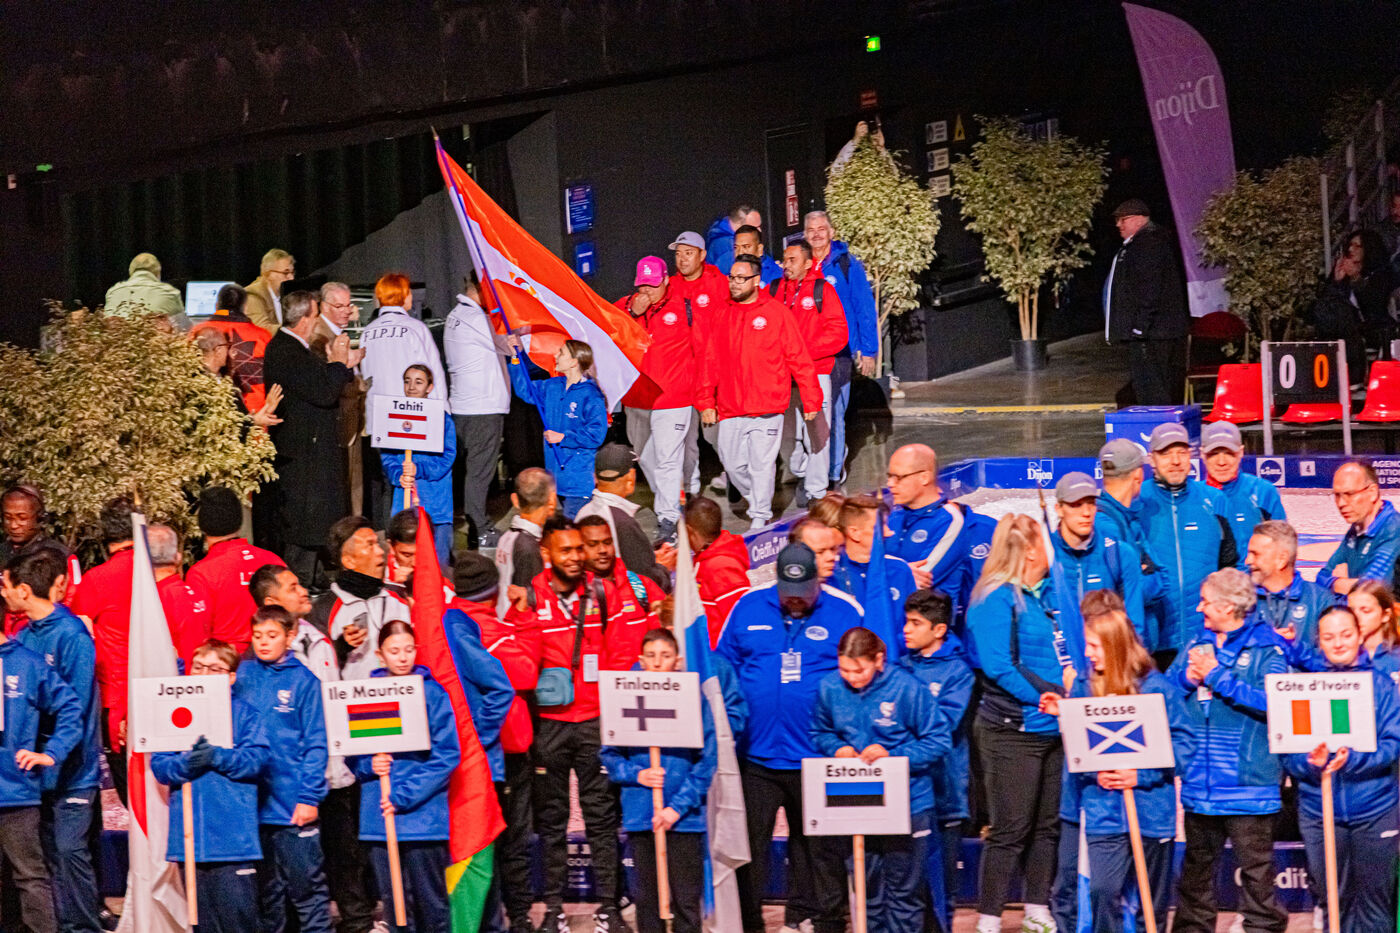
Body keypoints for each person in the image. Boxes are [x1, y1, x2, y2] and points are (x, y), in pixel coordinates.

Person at [717, 542, 863, 933]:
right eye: (788, 592)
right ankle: (748, 924)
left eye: (803, 592)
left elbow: (863, 673)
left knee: (820, 852)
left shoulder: (845, 611)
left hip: (818, 755)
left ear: (817, 581)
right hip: (755, 756)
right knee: (749, 849)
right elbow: (723, 668)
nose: (795, 599)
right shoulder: (747, 606)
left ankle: (818, 921)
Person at [505, 518, 627, 932]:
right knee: (551, 821)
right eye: (566, 550)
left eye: (579, 549)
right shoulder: (528, 598)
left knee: (601, 818)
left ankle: (608, 907)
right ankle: (553, 909)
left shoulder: (603, 592)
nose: (576, 557)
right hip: (549, 726)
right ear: (546, 553)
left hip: (595, 722)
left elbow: (619, 654)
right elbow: (518, 662)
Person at [1045, 607, 1187, 933]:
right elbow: (1078, 749)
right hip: (1103, 810)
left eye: (1094, 646)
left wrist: (1142, 775)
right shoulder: (1085, 686)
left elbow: (1184, 745)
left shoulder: (1156, 687)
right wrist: (1095, 773)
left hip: (1152, 810)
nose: (1087, 653)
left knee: (1151, 903)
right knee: (1102, 890)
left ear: (1116, 645)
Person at [1167, 568, 1288, 933]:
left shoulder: (1268, 647)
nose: (1199, 608)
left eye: (1205, 601)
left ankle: (1262, 928)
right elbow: (1164, 691)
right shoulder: (1196, 643)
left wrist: (1218, 677)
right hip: (1200, 787)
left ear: (1227, 606)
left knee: (1257, 877)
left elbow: (1277, 702)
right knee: (1195, 876)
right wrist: (1186, 679)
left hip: (1249, 786)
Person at [811, 627, 946, 933]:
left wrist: (893, 755)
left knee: (904, 893)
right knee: (867, 892)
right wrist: (837, 748)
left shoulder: (907, 688)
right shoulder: (829, 687)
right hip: (856, 803)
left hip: (909, 803)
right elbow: (819, 732)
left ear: (879, 660)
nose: (852, 678)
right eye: (845, 670)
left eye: (859, 670)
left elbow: (938, 740)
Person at [966, 514, 1064, 933]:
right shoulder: (994, 598)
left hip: (1055, 728)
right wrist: (1047, 694)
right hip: (1013, 730)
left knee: (1047, 826)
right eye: (1044, 542)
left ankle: (1037, 908)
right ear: (1029, 551)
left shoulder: (1052, 592)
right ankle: (989, 917)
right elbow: (999, 666)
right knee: (1010, 829)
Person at [3, 549, 103, 933]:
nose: (3, 593)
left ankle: (84, 928)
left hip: (74, 771)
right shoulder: (22, 637)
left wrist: (53, 751)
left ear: (24, 590)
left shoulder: (72, 636)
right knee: (42, 861)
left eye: (6, 585)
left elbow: (74, 707)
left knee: (69, 852)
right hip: (33, 774)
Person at [1282, 607, 1400, 932]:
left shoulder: (1381, 686)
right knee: (1334, 902)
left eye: (1346, 635)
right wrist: (1310, 762)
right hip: (1319, 813)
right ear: (1318, 641)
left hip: (1374, 811)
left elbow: (1393, 744)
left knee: (1375, 906)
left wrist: (1354, 759)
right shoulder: (1302, 688)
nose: (1338, 643)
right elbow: (1288, 753)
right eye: (1329, 637)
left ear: (1360, 635)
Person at [600, 628, 717, 933]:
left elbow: (707, 759)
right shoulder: (624, 696)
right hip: (643, 816)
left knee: (685, 901)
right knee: (647, 901)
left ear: (677, 661)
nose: (656, 663)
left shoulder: (693, 698)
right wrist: (636, 774)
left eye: (665, 656)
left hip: (684, 819)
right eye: (650, 656)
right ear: (641, 660)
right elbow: (609, 755)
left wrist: (677, 808)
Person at [150, 639, 271, 933]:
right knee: (202, 925)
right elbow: (160, 766)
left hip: (233, 842)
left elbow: (257, 761)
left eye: (215, 669)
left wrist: (217, 756)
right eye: (198, 667)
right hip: (190, 840)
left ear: (230, 677)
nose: (204, 674)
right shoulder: (174, 710)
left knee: (239, 923)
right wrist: (186, 764)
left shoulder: (245, 713)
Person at [348, 620, 460, 933]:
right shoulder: (366, 693)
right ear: (380, 655)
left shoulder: (432, 693)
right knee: (395, 907)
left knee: (432, 906)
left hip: (422, 820)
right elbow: (352, 756)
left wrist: (404, 795)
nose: (402, 657)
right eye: (394, 651)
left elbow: (447, 754)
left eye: (409, 650)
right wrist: (370, 765)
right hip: (379, 820)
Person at [448, 552, 539, 933]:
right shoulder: (487, 631)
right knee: (508, 841)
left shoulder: (449, 623)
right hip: (501, 753)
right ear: (493, 590)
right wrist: (521, 620)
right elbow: (526, 672)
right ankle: (516, 919)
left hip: (480, 753)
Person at [698, 253, 821, 530]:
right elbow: (709, 360)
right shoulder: (721, 313)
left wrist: (811, 398)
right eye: (732, 277)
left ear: (756, 281)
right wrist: (706, 400)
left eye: (741, 278)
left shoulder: (776, 313)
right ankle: (757, 500)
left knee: (762, 464)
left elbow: (798, 357)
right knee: (732, 464)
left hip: (767, 405)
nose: (734, 283)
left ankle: (760, 516)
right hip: (730, 406)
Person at [237, 605, 334, 933]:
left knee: (308, 891)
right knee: (267, 896)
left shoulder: (305, 682)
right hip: (253, 807)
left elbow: (317, 745)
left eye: (272, 635)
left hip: (293, 807)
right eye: (257, 636)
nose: (263, 642)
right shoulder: (242, 675)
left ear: (290, 637)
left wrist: (309, 797)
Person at [263, 290, 363, 586]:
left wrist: (339, 367)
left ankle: (315, 574)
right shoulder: (287, 351)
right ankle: (301, 579)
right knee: (306, 519)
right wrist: (340, 363)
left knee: (315, 517)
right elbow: (323, 392)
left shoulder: (294, 349)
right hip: (303, 452)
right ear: (306, 318)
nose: (318, 319)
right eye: (316, 313)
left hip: (310, 447)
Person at [0, 621, 83, 933]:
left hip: (15, 792)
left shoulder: (27, 663)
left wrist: (51, 753)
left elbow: (70, 708)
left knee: (30, 877)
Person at [898, 588, 973, 933]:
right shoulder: (899, 668)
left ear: (939, 629)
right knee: (906, 887)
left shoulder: (958, 673)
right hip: (903, 796)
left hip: (945, 796)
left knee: (943, 890)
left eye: (915, 623)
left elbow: (942, 726)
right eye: (906, 622)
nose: (906, 630)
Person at [1138, 422, 1238, 662]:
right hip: (1153, 643)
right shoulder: (1137, 502)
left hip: (1206, 638)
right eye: (1166, 453)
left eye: (1181, 452)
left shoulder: (1214, 500)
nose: (1176, 461)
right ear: (1152, 459)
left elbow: (1232, 567)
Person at [616, 256, 696, 539]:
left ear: (665, 280)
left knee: (666, 460)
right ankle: (672, 503)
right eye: (642, 285)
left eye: (652, 284)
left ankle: (669, 518)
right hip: (638, 400)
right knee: (647, 458)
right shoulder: (626, 306)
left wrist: (704, 393)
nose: (647, 291)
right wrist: (631, 311)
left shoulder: (684, 307)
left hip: (673, 398)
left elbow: (705, 348)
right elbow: (608, 331)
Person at [67, 496, 136, 801]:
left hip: (116, 698)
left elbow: (78, 632)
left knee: (130, 793)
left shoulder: (96, 579)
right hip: (163, 690)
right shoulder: (160, 573)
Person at [803, 210, 879, 483]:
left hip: (840, 353)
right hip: (807, 356)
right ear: (804, 235)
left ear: (832, 233)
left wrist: (868, 350)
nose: (816, 234)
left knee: (834, 413)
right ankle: (813, 470)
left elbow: (864, 308)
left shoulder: (847, 264)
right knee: (810, 416)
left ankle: (832, 473)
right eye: (811, 230)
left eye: (821, 229)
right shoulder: (800, 264)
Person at [771, 239, 848, 503]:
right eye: (785, 259)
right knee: (787, 439)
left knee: (817, 434)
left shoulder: (822, 290)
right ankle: (802, 472)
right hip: (783, 377)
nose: (786, 265)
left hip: (816, 373)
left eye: (792, 260)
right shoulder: (774, 289)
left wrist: (802, 353)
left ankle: (816, 490)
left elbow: (839, 334)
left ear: (807, 263)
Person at [444, 274, 511, 547]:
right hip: (482, 408)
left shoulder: (455, 315)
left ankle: (471, 525)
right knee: (480, 473)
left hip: (463, 405)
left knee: (470, 472)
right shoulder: (477, 319)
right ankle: (480, 529)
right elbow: (511, 344)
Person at [508, 338, 609, 518]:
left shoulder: (591, 394)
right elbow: (525, 390)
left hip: (577, 481)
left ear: (573, 362)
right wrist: (516, 356)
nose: (556, 355)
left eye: (561, 353)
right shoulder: (553, 386)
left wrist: (563, 437)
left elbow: (596, 435)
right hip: (554, 480)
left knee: (574, 528)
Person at [1103, 199, 1190, 405]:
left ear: (1139, 220)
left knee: (1153, 388)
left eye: (1123, 219)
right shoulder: (1143, 243)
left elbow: (1150, 289)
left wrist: (1140, 327)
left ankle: (1160, 422)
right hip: (1153, 331)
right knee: (1152, 385)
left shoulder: (1148, 245)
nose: (1118, 225)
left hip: (1152, 332)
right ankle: (1160, 420)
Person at [309, 516, 413, 681]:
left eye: (377, 543)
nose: (380, 552)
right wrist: (341, 646)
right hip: (353, 696)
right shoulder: (324, 610)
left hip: (403, 693)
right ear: (349, 561)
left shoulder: (401, 597)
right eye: (370, 545)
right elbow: (315, 666)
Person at [667, 230, 732, 496]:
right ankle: (690, 488)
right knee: (685, 436)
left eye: (688, 253)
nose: (682, 259)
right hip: (681, 376)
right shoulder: (670, 287)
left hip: (713, 374)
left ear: (702, 255)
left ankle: (736, 477)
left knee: (716, 434)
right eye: (678, 254)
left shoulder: (719, 283)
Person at [187, 485, 284, 655]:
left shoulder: (201, 573)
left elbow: (197, 633)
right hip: (275, 658)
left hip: (227, 662)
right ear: (238, 521)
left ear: (202, 525)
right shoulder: (273, 560)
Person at [884, 444, 976, 621]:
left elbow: (920, 579)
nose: (890, 484)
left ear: (924, 477)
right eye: (889, 477)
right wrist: (901, 568)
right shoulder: (894, 517)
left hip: (927, 628)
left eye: (898, 477)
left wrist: (884, 566)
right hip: (892, 621)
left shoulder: (950, 521)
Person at [380, 364, 457, 568]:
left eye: (419, 382)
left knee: (437, 566)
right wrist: (398, 475)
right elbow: (388, 457)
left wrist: (419, 469)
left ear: (429, 387)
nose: (412, 386)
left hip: (436, 504)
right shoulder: (394, 415)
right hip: (404, 504)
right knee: (404, 566)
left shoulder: (442, 420)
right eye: (407, 381)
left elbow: (447, 458)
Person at [1050, 471, 1145, 635]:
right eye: (1076, 505)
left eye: (1091, 503)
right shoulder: (1044, 554)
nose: (1086, 513)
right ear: (1059, 509)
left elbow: (1135, 628)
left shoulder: (1119, 553)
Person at [576, 444, 671, 589]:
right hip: (616, 598)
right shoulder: (623, 523)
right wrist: (663, 567)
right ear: (631, 478)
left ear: (595, 477)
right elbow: (645, 583)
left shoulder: (583, 513)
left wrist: (650, 557)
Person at [577, 515, 664, 671]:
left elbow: (666, 638)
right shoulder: (573, 594)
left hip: (640, 681)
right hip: (594, 684)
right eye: (592, 544)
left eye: (607, 542)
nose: (603, 550)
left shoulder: (640, 586)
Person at [314, 281, 371, 518]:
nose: (347, 311)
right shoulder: (319, 337)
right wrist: (358, 383)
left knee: (354, 482)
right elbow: (327, 382)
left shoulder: (339, 333)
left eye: (349, 305)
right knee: (344, 484)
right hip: (339, 421)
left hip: (352, 418)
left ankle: (355, 527)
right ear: (324, 306)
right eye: (340, 306)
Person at [833, 495, 916, 656]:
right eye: (879, 526)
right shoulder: (832, 576)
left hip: (895, 663)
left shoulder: (900, 570)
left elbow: (915, 623)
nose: (889, 532)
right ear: (854, 533)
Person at [1247, 520, 1336, 665]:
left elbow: (1330, 661)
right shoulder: (1242, 599)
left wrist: (1294, 646)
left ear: (1282, 560)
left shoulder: (1319, 601)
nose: (1247, 561)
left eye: (1255, 554)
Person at [1095, 438, 1165, 612]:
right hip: (1124, 626)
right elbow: (1154, 583)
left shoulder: (1126, 519)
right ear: (1138, 475)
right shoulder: (1108, 525)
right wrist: (1146, 573)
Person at [0, 484, 77, 637]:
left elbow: (72, 601)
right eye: (8, 518)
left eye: (22, 518)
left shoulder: (60, 555)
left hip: (42, 637)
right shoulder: (2, 551)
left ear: (39, 518)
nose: (14, 525)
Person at [359, 273, 447, 404]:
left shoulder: (367, 332)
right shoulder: (415, 328)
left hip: (377, 407)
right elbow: (432, 372)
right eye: (409, 292)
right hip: (408, 407)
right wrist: (441, 406)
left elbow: (365, 373)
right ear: (404, 296)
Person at [1317, 459, 1400, 595]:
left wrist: (1337, 583)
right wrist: (1346, 584)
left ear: (1372, 492)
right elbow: (1321, 577)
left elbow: (1372, 590)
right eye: (1337, 495)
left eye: (1349, 494)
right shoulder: (1356, 529)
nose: (1341, 503)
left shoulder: (1393, 529)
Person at [1201, 422, 1287, 552]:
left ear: (1241, 452)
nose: (1221, 462)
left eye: (1229, 453)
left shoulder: (1263, 492)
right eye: (1214, 454)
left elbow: (1282, 547)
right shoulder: (1193, 497)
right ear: (1202, 455)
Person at [197, 283, 276, 413]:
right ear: (245, 308)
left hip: (209, 412)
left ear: (216, 306)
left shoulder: (198, 332)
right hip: (257, 412)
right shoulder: (263, 336)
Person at [682, 495, 750, 646]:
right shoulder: (706, 558)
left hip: (719, 656)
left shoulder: (721, 566)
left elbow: (741, 620)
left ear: (688, 530)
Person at [148, 523, 213, 671]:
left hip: (175, 679)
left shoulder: (155, 600)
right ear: (177, 557)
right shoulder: (197, 592)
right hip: (203, 676)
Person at [493, 467, 557, 616]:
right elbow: (528, 599)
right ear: (552, 500)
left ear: (515, 500)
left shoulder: (507, 536)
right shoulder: (529, 547)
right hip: (519, 622)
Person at [104, 251, 190, 331]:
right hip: (154, 341)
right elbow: (184, 329)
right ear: (158, 274)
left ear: (131, 272)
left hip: (117, 341)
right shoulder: (170, 292)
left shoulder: (112, 292)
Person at [1347, 580, 1400, 680]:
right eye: (1350, 611)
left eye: (1365, 610)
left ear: (1386, 615)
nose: (1356, 617)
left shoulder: (1397, 657)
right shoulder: (1341, 655)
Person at [244, 248, 297, 333]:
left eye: (292, 272)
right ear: (268, 274)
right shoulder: (253, 295)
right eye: (285, 273)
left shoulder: (287, 294)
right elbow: (263, 329)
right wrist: (296, 329)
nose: (291, 278)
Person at [705, 203, 762, 274]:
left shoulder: (718, 232)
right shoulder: (729, 248)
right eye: (754, 227)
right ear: (738, 224)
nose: (760, 230)